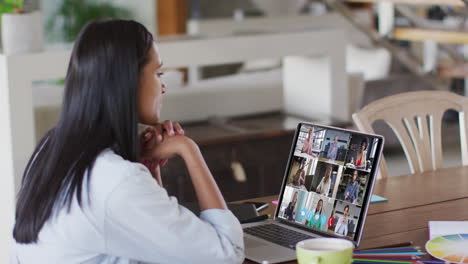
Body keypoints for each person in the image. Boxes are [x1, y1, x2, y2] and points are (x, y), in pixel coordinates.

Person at [12, 20, 244, 264]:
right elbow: (227, 253)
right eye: (158, 73)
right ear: (128, 82)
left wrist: (151, 169)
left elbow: (158, 246)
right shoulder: (116, 179)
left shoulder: (52, 149)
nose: (163, 86)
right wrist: (189, 149)